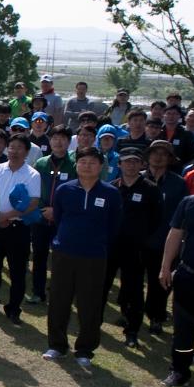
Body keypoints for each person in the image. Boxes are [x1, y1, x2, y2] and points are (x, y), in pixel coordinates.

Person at [43, 147, 123, 368]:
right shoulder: (64, 190)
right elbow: (58, 218)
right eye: (83, 161)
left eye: (92, 162)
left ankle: (85, 349)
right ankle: (57, 345)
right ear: (76, 165)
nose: (87, 165)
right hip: (64, 252)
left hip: (94, 256)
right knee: (59, 299)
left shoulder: (110, 193)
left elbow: (114, 226)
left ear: (101, 167)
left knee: (90, 303)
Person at [159, 167, 194, 387]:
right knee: (183, 330)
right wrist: (165, 267)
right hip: (188, 277)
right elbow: (174, 235)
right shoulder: (190, 203)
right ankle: (180, 371)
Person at [104, 150, 159, 347]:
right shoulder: (111, 188)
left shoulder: (150, 189)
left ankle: (132, 330)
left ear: (141, 164)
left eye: (136, 162)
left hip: (135, 250)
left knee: (134, 290)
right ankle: (94, 323)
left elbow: (156, 220)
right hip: (111, 247)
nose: (131, 165)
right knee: (102, 286)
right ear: (119, 164)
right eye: (127, 162)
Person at [0, 136, 41, 323]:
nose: (14, 151)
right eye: (12, 147)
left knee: (17, 271)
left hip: (18, 227)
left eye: (19, 148)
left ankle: (13, 308)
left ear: (26, 152)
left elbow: (33, 203)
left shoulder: (32, 174)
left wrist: (6, 216)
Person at [143, 139, 187, 335]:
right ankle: (131, 313)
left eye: (164, 154)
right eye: (155, 152)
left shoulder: (178, 184)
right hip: (138, 239)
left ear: (170, 159)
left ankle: (156, 317)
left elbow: (182, 216)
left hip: (164, 241)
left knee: (160, 282)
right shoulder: (137, 177)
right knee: (133, 280)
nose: (158, 157)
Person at [29, 126, 74, 304]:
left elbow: (75, 192)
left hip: (63, 220)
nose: (58, 141)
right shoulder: (41, 163)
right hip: (41, 218)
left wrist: (57, 212)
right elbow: (35, 190)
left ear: (69, 142)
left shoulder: (74, 164)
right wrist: (43, 210)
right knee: (39, 257)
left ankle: (58, 293)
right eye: (55, 138)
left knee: (61, 258)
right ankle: (38, 292)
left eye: (63, 138)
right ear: (50, 141)